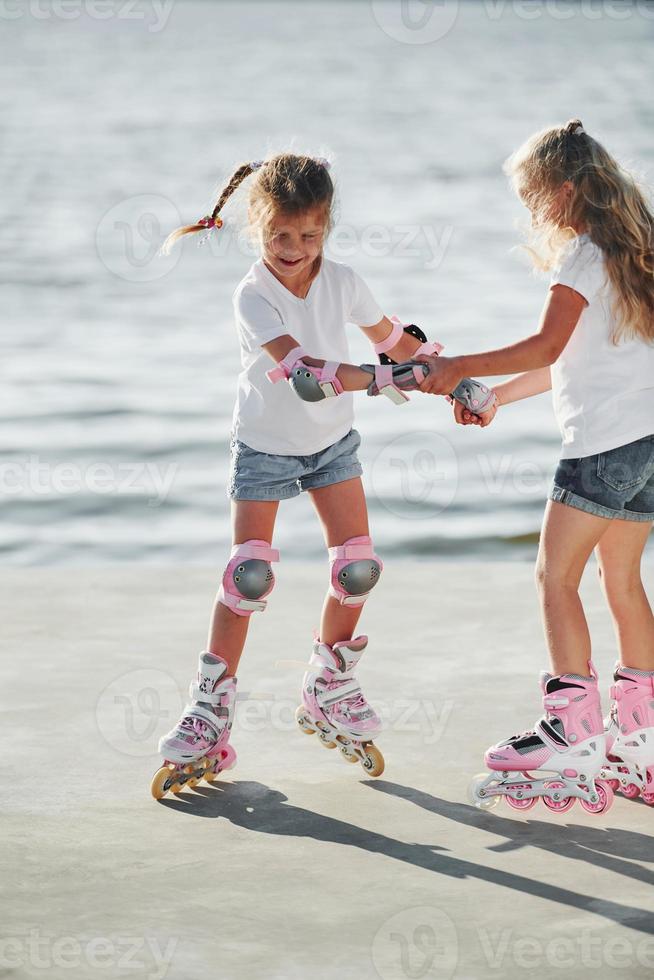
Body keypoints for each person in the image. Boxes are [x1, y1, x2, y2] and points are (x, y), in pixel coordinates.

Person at [150, 154, 453, 798]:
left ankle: (329, 682)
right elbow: (306, 372)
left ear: (327, 228)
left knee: (358, 568)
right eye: (280, 236)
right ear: (257, 227)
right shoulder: (252, 294)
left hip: (332, 446)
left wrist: (453, 378)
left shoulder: (342, 281)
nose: (294, 249)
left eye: (309, 236)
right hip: (264, 445)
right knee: (249, 574)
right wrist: (379, 379)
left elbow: (395, 338)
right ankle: (210, 707)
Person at [419, 120, 654, 812]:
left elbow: (547, 345)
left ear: (565, 189)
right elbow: (581, 361)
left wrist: (459, 366)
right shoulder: (633, 254)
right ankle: (638, 739)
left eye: (533, 195)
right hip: (647, 445)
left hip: (603, 446)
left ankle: (571, 733)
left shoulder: (581, 255)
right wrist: (494, 396)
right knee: (623, 582)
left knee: (555, 578)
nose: (531, 210)